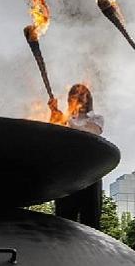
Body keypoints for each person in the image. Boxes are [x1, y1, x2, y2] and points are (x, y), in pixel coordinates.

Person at [48, 84, 104, 229]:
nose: (78, 99)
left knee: (91, 223)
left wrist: (67, 120)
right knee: (63, 222)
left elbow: (89, 133)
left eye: (82, 95)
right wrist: (54, 112)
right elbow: (52, 133)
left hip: (90, 175)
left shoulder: (96, 118)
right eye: (74, 95)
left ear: (88, 99)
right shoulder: (66, 118)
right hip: (67, 175)